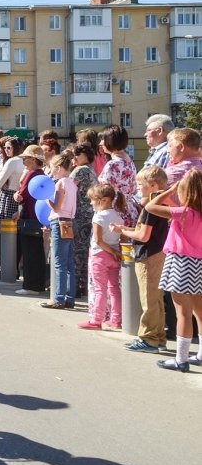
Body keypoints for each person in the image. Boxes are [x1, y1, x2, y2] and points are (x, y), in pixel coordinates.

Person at [145, 169, 202, 372]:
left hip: (181, 263)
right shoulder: (192, 213)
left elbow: (150, 206)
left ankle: (181, 358)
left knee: (183, 313)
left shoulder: (183, 213)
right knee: (199, 312)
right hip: (200, 264)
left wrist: (170, 190)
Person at [112, 165, 170, 352]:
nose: (137, 189)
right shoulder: (163, 204)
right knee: (157, 299)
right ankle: (159, 336)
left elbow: (143, 236)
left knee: (149, 299)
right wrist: (125, 230)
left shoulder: (151, 207)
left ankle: (149, 338)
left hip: (148, 255)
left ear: (152, 185)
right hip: (158, 253)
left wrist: (125, 231)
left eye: (140, 185)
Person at [79, 183, 124, 331]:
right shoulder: (118, 216)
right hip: (115, 256)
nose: (91, 202)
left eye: (93, 199)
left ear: (103, 200)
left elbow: (98, 240)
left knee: (100, 289)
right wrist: (116, 252)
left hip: (100, 255)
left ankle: (96, 320)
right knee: (114, 288)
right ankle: (116, 319)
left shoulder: (98, 217)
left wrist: (111, 251)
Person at [41, 150, 78, 309]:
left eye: (52, 168)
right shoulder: (72, 182)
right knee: (69, 262)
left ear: (59, 167)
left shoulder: (60, 183)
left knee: (59, 262)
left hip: (59, 221)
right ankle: (70, 297)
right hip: (70, 221)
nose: (51, 172)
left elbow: (56, 207)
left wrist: (46, 198)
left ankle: (58, 298)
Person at [0, 138, 24, 280]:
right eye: (6, 148)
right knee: (15, 235)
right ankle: (13, 268)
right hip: (19, 197)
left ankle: (6, 268)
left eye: (8, 148)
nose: (6, 150)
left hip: (8, 196)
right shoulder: (22, 161)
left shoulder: (12, 161)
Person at [14, 145, 47, 295]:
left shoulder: (31, 174)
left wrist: (16, 195)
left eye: (25, 158)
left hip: (29, 217)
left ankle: (30, 285)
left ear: (33, 160)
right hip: (39, 217)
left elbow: (21, 196)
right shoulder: (42, 174)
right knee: (38, 252)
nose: (23, 161)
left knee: (29, 253)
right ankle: (38, 284)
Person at [70, 144, 97, 299]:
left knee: (77, 251)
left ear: (85, 154)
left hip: (79, 214)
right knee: (84, 249)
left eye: (77, 154)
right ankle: (83, 284)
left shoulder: (80, 170)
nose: (74, 158)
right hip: (89, 214)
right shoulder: (91, 169)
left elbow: (67, 188)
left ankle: (77, 285)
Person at [97, 124, 137, 227]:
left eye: (103, 139)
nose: (101, 143)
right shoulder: (129, 162)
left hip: (113, 213)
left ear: (110, 141)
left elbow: (105, 191)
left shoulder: (113, 164)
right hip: (128, 211)